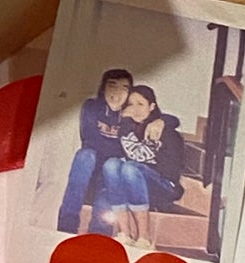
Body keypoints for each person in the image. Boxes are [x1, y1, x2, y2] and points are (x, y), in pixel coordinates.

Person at [101, 85, 184, 249]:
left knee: (131, 168)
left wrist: (163, 121)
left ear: (152, 107)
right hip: (133, 185)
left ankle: (144, 237)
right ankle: (125, 233)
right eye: (130, 104)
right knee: (111, 164)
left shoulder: (167, 132)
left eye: (140, 104)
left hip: (164, 186)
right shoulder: (127, 129)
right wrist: (125, 124)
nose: (135, 109)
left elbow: (168, 171)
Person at [56, 67, 132, 234]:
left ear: (129, 94)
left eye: (124, 88)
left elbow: (164, 117)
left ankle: (100, 233)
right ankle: (66, 224)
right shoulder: (91, 106)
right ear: (103, 88)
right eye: (112, 85)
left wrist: (161, 123)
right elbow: (89, 138)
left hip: (109, 173)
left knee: (112, 167)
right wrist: (116, 149)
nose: (117, 93)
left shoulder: (131, 115)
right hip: (88, 169)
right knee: (86, 155)